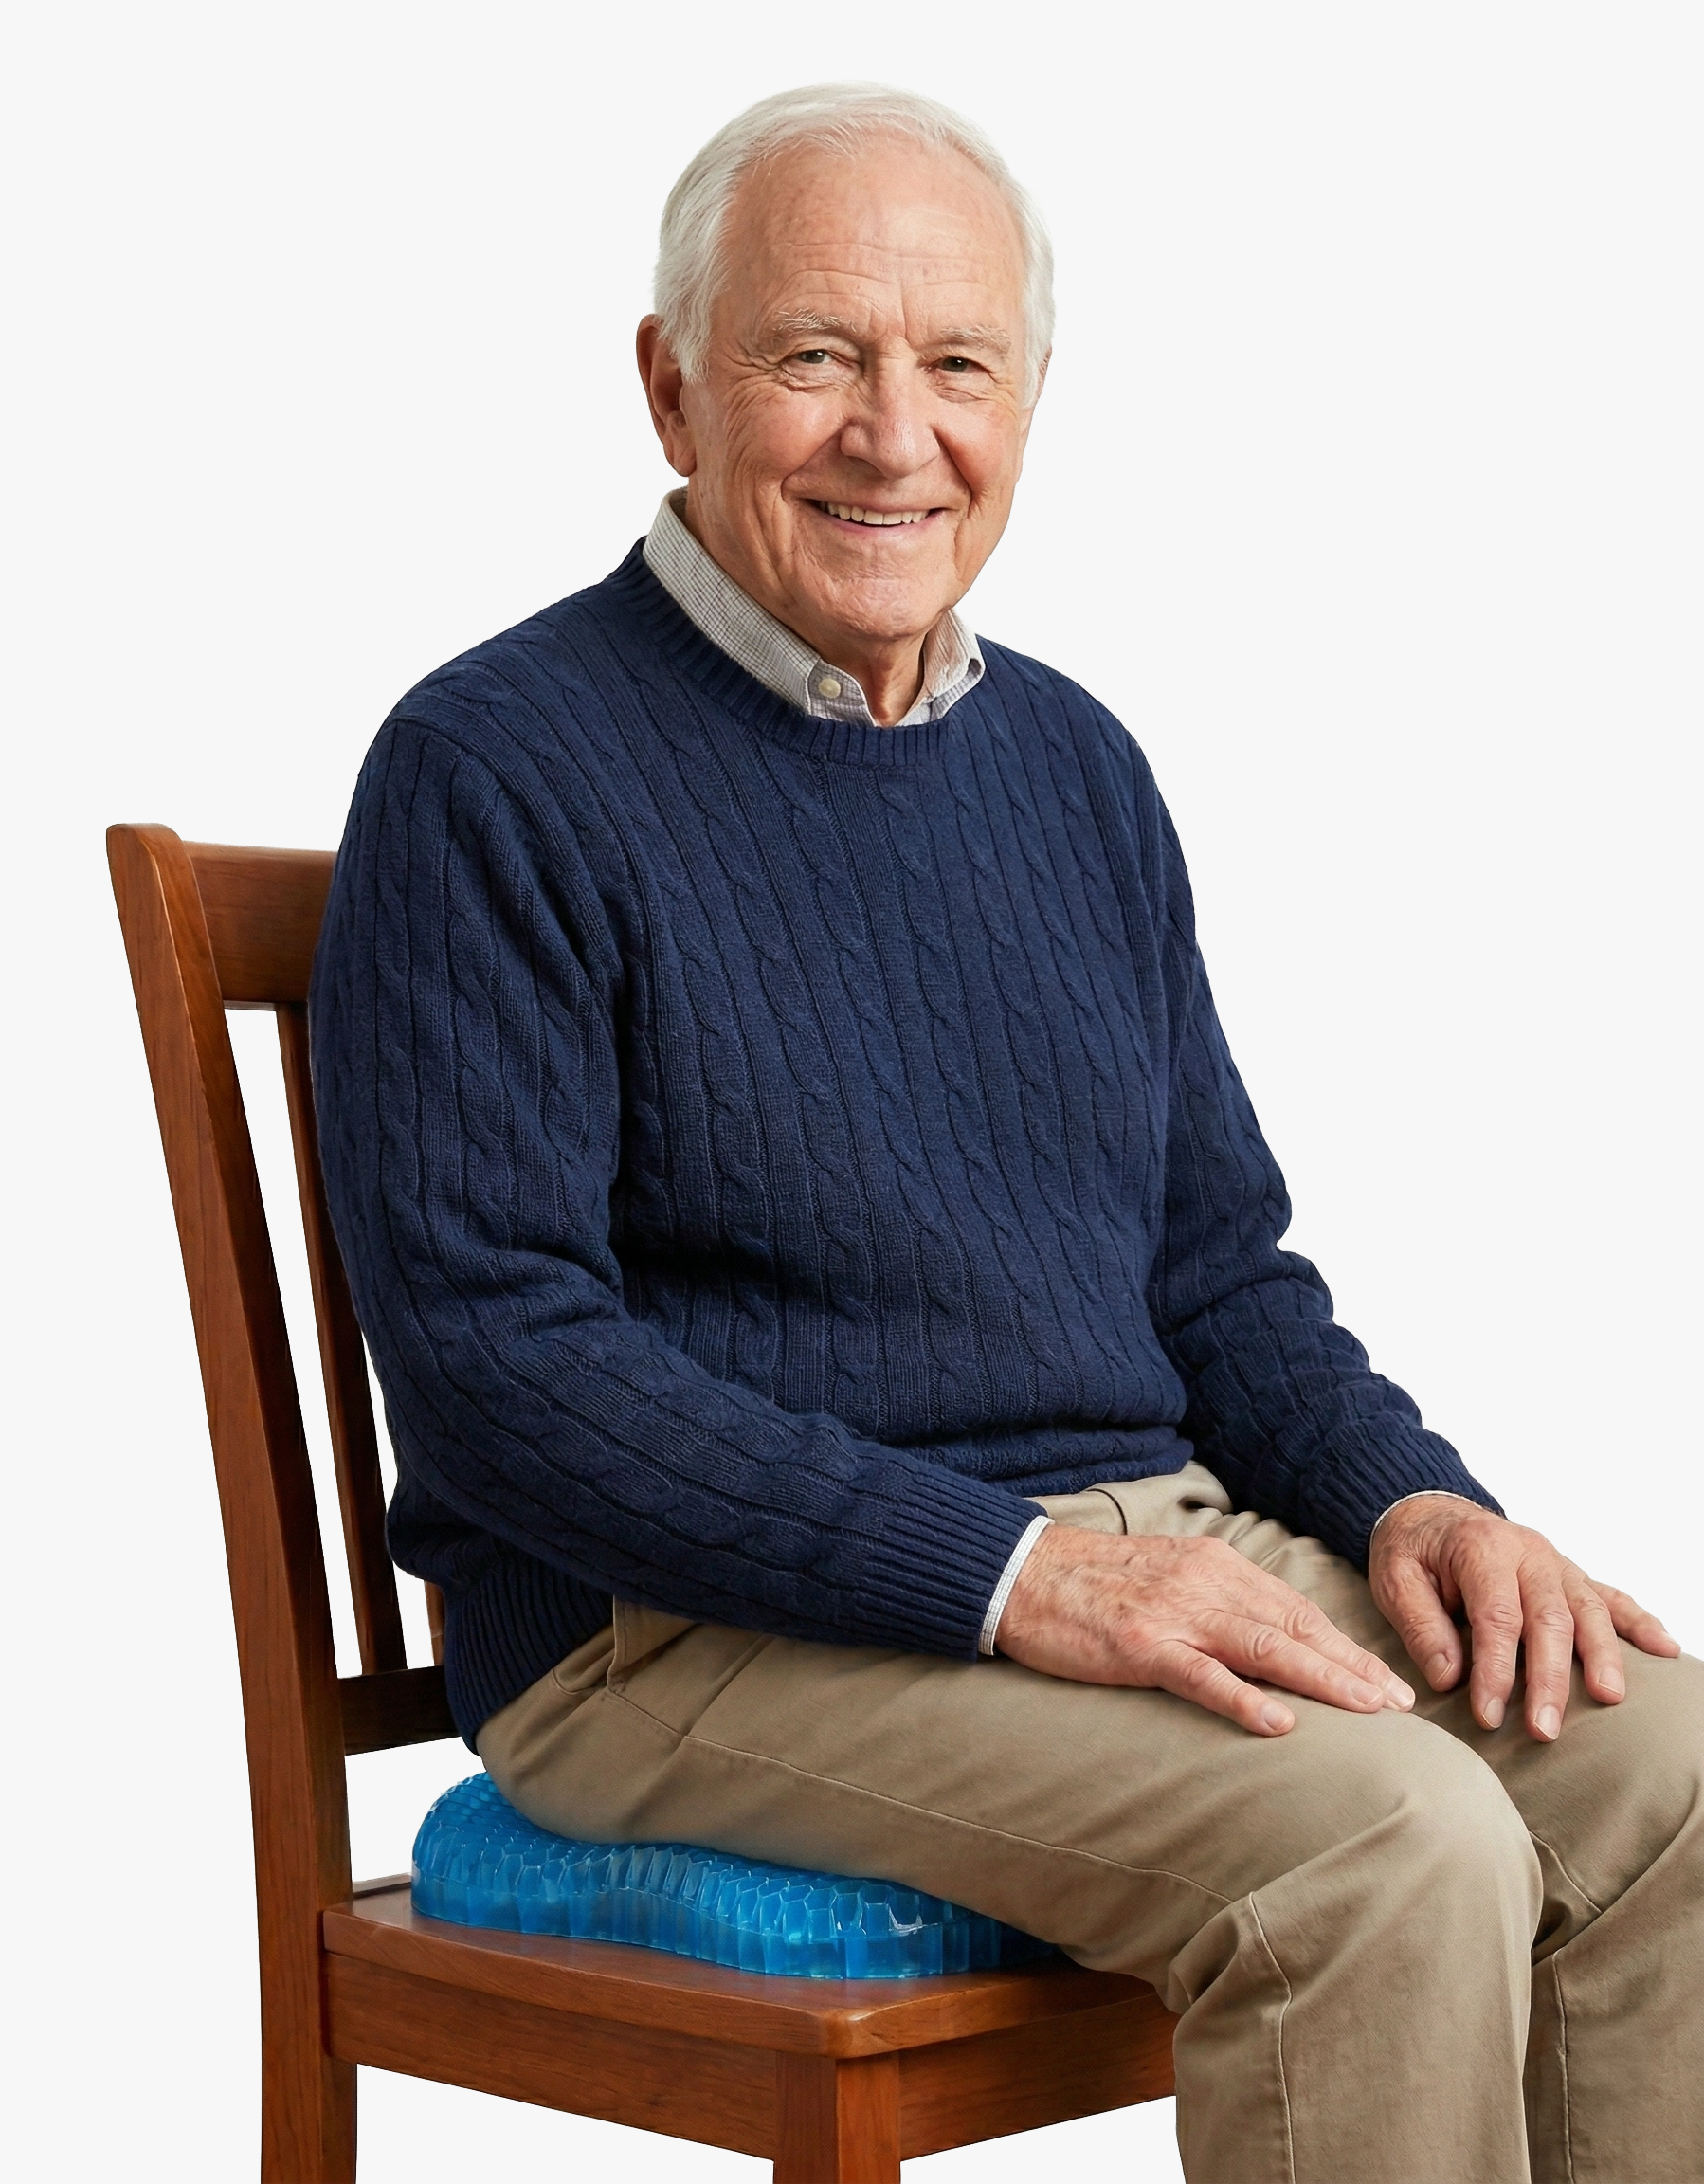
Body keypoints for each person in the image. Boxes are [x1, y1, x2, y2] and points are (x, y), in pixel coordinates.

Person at [309, 83, 1699, 2184]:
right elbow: (504, 1371)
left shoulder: (1073, 767)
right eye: (815, 355)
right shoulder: (490, 768)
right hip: (672, 1633)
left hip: (1136, 1552)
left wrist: (1411, 1499)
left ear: (1028, 400)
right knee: (1385, 1842)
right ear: (670, 387)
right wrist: (1014, 1575)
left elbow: (1215, 1276)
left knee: (1670, 1771)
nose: (896, 436)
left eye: (957, 365)